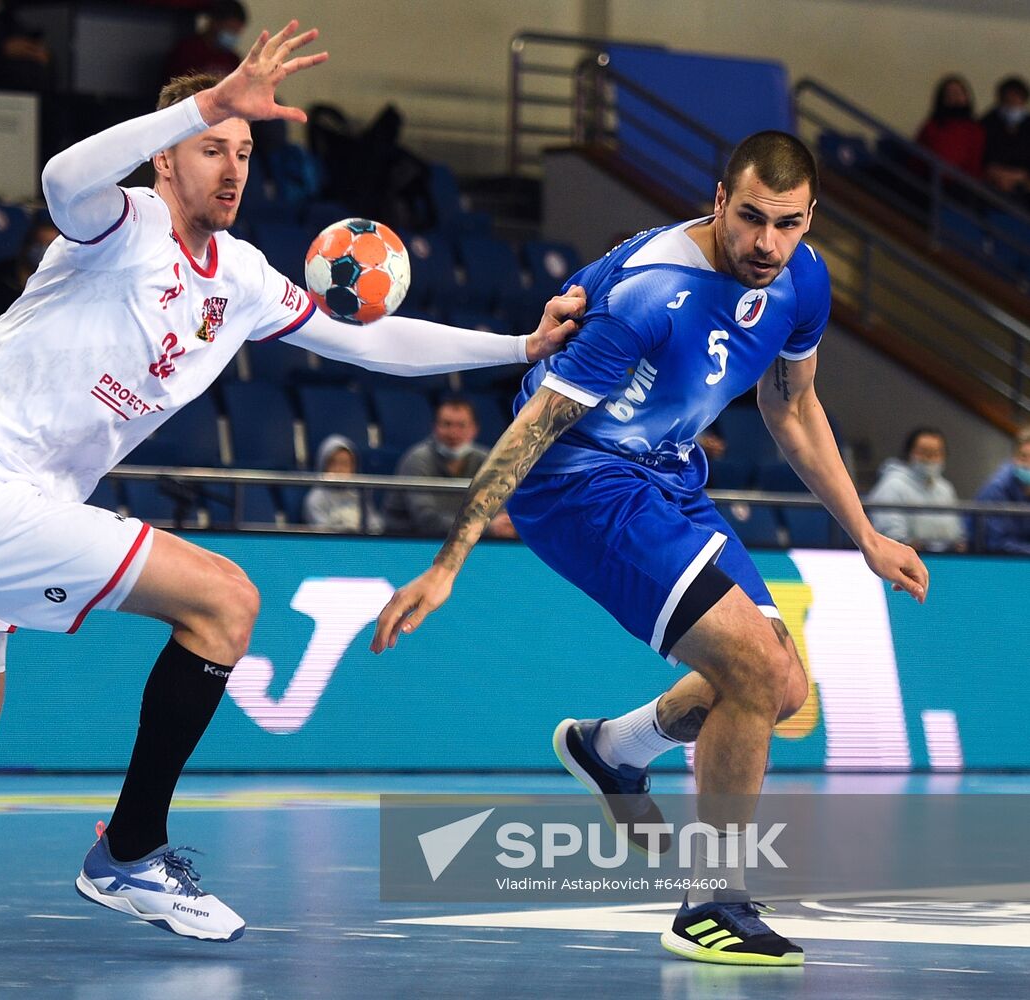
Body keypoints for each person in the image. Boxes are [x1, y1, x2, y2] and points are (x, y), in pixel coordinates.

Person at [0, 21, 584, 945]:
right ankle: (129, 854)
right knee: (224, 603)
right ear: (165, 160)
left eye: (243, 149)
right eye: (211, 146)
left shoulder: (238, 276)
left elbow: (367, 340)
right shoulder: (120, 223)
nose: (232, 165)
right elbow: (58, 180)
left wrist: (517, 347)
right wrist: (205, 98)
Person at [371, 131, 928, 967]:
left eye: (785, 224)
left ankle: (611, 748)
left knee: (778, 688)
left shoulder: (799, 280)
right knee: (745, 666)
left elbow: (793, 408)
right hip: (578, 482)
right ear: (716, 201)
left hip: (667, 470)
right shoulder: (648, 294)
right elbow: (533, 426)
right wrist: (449, 560)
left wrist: (865, 533)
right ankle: (712, 900)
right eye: (748, 219)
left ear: (809, 220)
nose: (764, 243)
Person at [384, 397, 515, 539]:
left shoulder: (487, 460)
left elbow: (499, 509)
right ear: (434, 427)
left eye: (461, 425)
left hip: (468, 542)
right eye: (446, 424)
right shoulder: (417, 459)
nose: (453, 432)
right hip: (408, 541)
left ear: (474, 429)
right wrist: (486, 528)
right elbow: (427, 520)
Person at [868, 427, 966, 552]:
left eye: (936, 453)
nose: (930, 459)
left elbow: (958, 534)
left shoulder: (946, 489)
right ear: (909, 453)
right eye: (924, 452)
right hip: (905, 562)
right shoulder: (892, 486)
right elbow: (891, 536)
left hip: (947, 562)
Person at [0, 217, 60, 322]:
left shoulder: (60, 280)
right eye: (39, 244)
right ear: (26, 245)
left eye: (49, 246)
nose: (43, 251)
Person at [304, 434, 382, 531]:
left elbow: (374, 524)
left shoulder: (359, 494)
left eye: (345, 464)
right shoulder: (316, 498)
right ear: (323, 465)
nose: (339, 469)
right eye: (334, 463)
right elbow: (321, 532)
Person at [971, 426, 1030, 554]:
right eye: (1023, 457)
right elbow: (995, 543)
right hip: (990, 562)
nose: (1028, 464)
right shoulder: (996, 488)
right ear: (1013, 457)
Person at [915, 74, 984, 180]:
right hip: (931, 181)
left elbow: (975, 163)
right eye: (949, 93)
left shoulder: (974, 129)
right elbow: (918, 158)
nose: (954, 97)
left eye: (958, 93)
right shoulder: (931, 126)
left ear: (966, 96)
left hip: (963, 185)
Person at [163, 0, 247, 84]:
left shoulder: (232, 59)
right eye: (230, 29)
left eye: (237, 31)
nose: (233, 35)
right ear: (214, 23)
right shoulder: (187, 51)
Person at [981, 75, 1030, 200]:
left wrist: (1021, 175)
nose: (1013, 100)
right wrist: (997, 173)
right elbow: (981, 152)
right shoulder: (987, 123)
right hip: (992, 180)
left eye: (1017, 96)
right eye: (1009, 97)